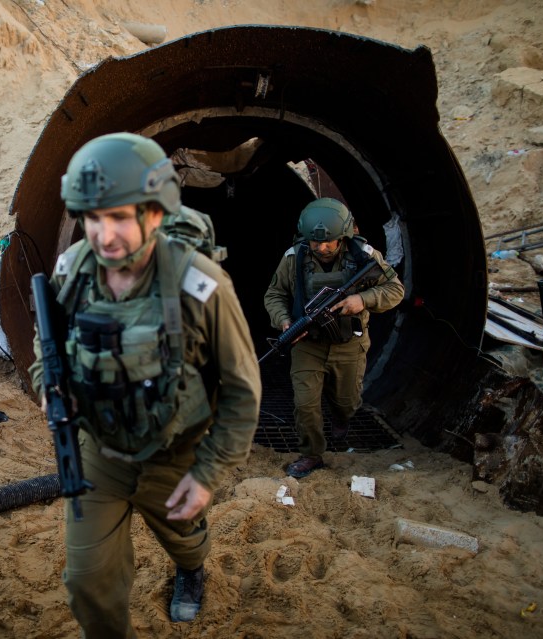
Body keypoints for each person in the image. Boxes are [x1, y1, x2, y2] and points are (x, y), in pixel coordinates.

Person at [28, 132, 261, 637]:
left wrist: (207, 476)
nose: (103, 235)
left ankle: (192, 569)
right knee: (89, 583)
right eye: (92, 218)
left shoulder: (199, 284)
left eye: (119, 217)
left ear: (155, 213)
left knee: (184, 539)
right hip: (98, 453)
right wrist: (49, 386)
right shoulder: (72, 272)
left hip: (174, 454)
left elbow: (243, 389)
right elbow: (45, 348)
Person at [263, 197, 404, 479]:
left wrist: (362, 300)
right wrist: (284, 321)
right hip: (308, 345)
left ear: (343, 236)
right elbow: (274, 295)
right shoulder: (294, 259)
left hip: (348, 344)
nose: (322, 248)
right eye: (315, 242)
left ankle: (341, 417)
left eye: (329, 241)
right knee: (305, 404)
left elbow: (395, 290)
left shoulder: (364, 256)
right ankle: (311, 454)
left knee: (348, 401)